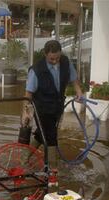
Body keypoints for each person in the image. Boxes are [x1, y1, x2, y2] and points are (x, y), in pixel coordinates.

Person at [23, 40, 83, 169]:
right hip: (42, 109)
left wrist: (79, 91)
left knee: (41, 134)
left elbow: (74, 79)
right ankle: (52, 169)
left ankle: (23, 158)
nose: (55, 61)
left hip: (57, 107)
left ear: (60, 53)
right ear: (45, 54)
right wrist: (26, 112)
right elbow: (28, 93)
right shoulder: (36, 70)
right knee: (50, 137)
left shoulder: (66, 62)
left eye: (57, 58)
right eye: (51, 59)